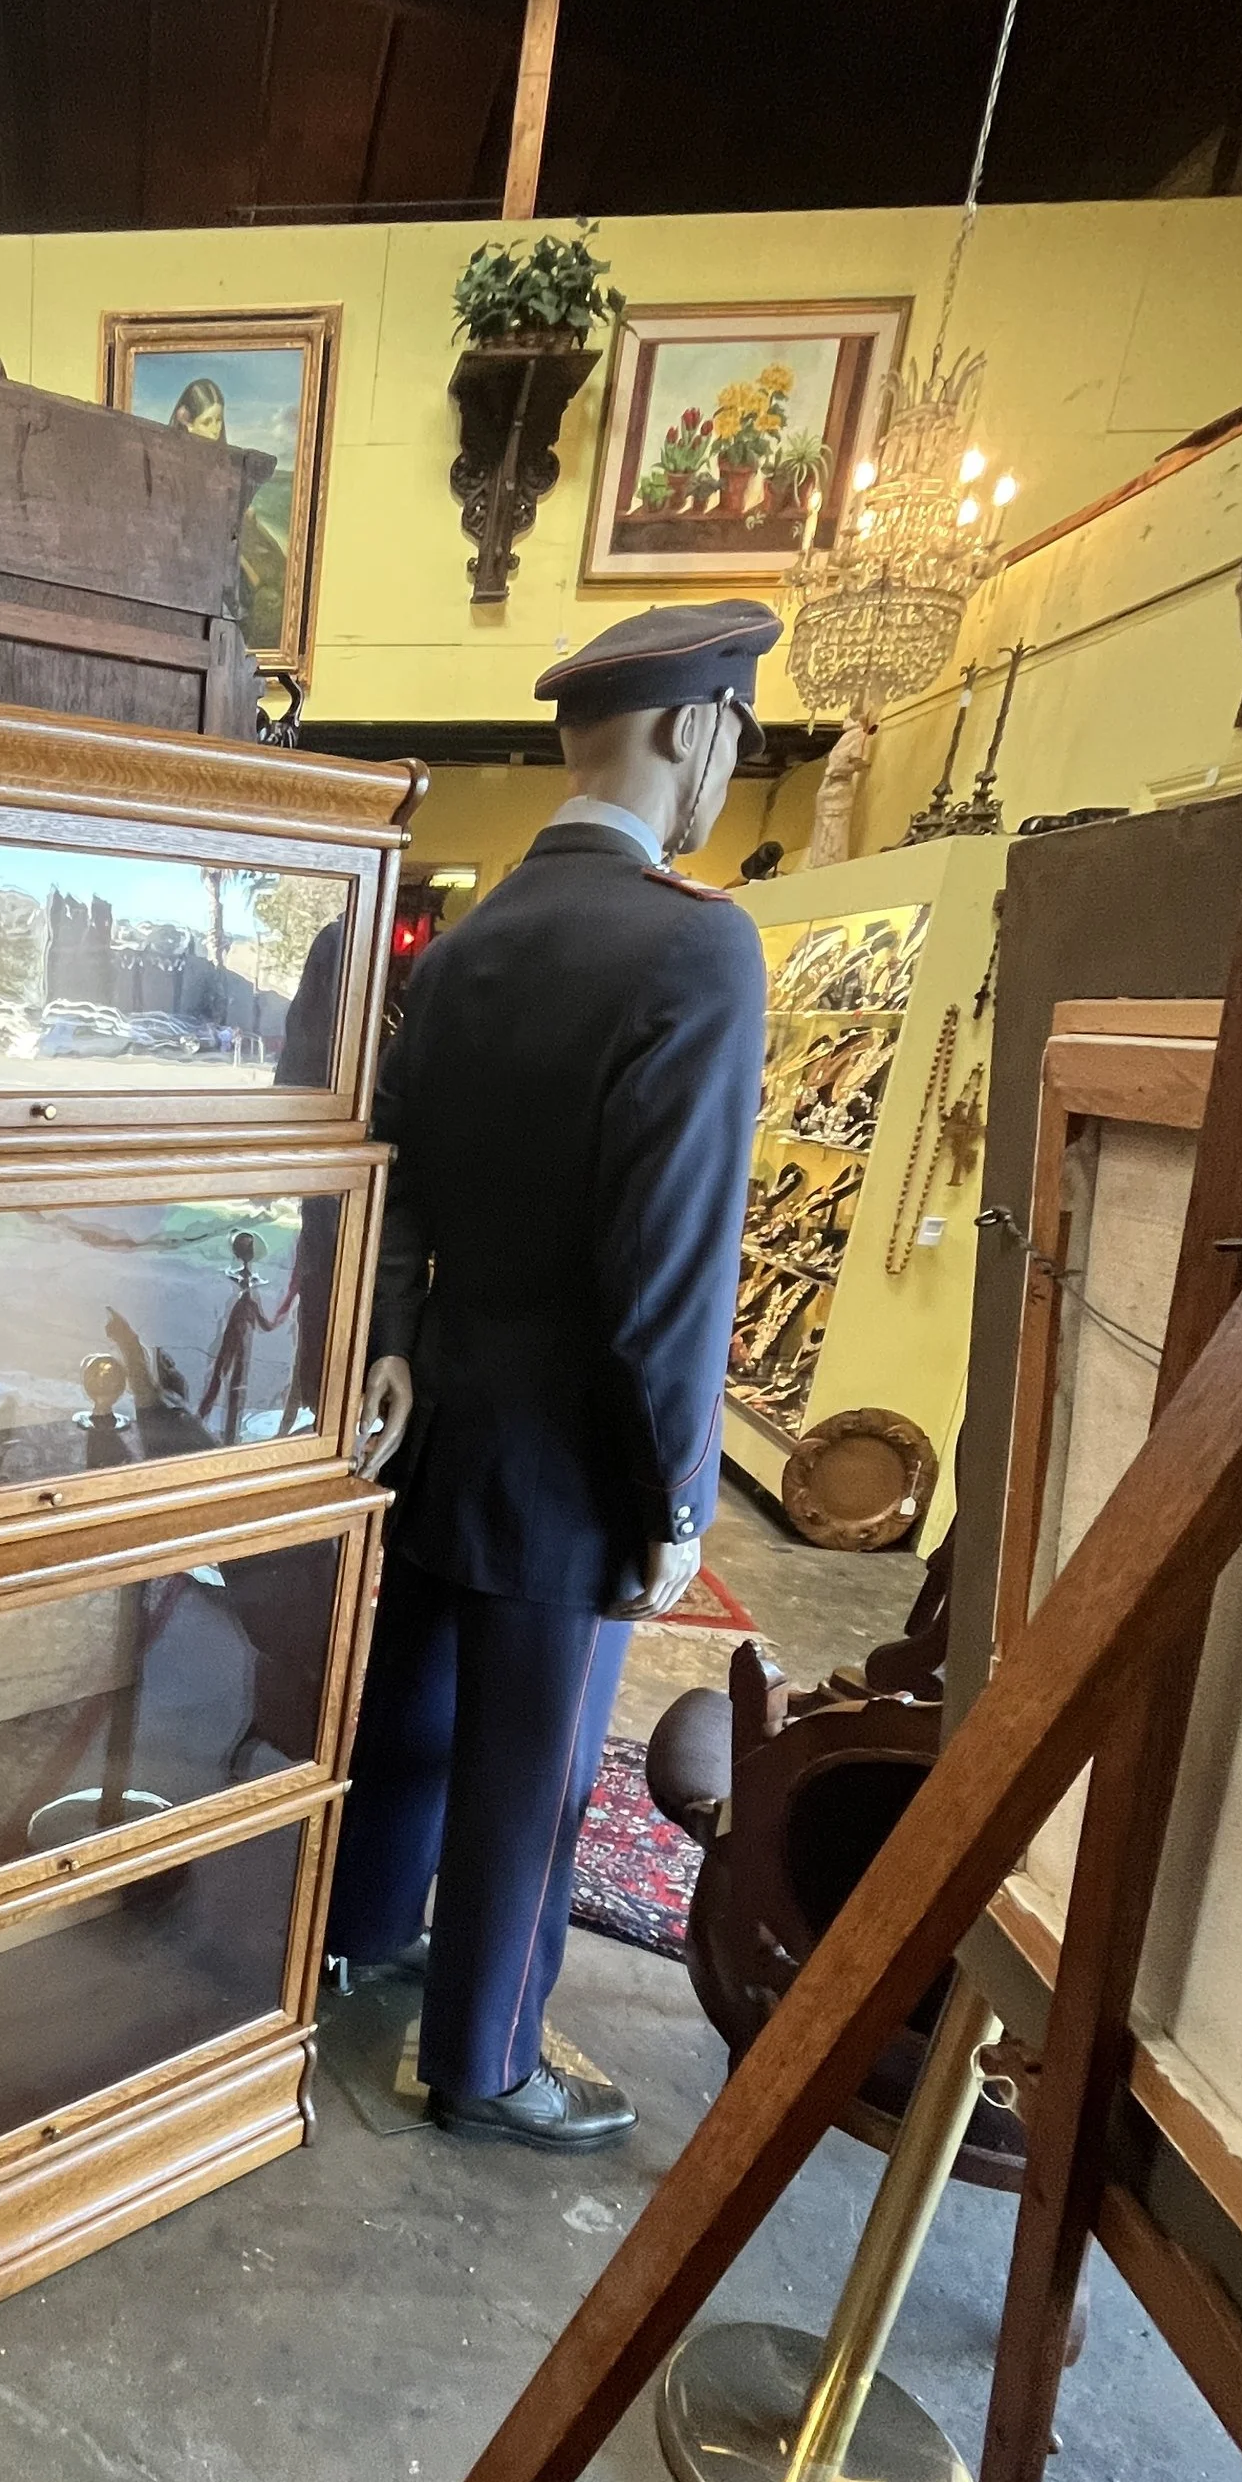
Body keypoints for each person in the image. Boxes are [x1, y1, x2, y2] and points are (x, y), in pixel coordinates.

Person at [327, 598, 778, 2152]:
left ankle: (362, 1936)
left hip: (441, 1409)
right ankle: (486, 2062)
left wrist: (391, 1341)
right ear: (696, 729)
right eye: (738, 734)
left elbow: (393, 1178)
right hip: (577, 1450)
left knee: (413, 1711)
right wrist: (677, 1487)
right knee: (537, 1774)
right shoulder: (697, 945)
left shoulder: (465, 950)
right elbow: (671, 1268)